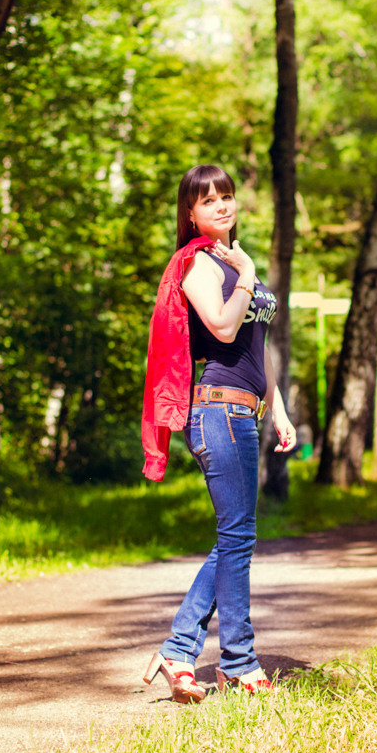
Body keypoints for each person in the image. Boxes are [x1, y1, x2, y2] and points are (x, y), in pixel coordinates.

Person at [140, 164, 297, 702]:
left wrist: (278, 411)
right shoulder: (198, 265)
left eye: (227, 196)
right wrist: (248, 273)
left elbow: (258, 346)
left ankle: (179, 651)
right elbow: (225, 326)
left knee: (235, 537)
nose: (222, 206)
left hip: (244, 411)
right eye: (209, 201)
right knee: (237, 538)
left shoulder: (234, 262)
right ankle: (240, 661)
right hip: (215, 409)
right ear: (191, 213)